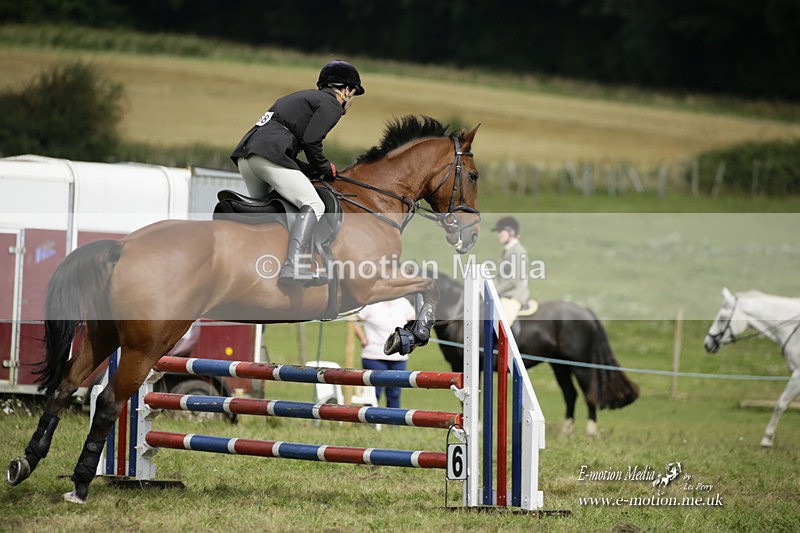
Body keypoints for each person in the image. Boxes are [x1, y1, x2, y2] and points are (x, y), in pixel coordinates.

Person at [230, 60, 365, 286]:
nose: (350, 101)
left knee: (269, 211)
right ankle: (293, 265)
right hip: (268, 155)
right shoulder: (331, 104)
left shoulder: (303, 97)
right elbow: (311, 141)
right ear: (346, 90)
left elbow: (293, 147)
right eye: (352, 95)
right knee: (314, 204)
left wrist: (310, 168)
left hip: (248, 157)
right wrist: (324, 167)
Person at [353, 297, 416, 409]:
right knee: (373, 393)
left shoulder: (403, 302)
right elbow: (355, 321)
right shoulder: (370, 303)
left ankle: (393, 423)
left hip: (398, 357)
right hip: (374, 356)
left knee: (394, 393)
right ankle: (369, 422)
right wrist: (362, 338)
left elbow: (413, 321)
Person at [492, 216, 530, 325]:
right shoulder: (508, 251)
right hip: (505, 294)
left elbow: (513, 280)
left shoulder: (518, 251)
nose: (499, 235)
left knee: (501, 324)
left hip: (513, 295)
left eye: (501, 231)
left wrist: (494, 291)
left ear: (511, 232)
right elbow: (500, 277)